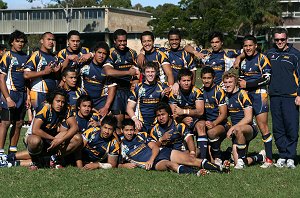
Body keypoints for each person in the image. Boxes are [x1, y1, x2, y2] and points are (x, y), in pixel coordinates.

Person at [118, 118, 229, 175]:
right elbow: (115, 163)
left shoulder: (141, 135)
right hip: (156, 163)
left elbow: (155, 147)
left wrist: (151, 159)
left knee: (191, 159)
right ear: (122, 130)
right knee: (170, 164)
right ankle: (197, 173)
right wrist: (123, 166)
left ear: (134, 130)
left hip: (160, 153)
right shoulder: (120, 145)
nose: (129, 133)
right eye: (127, 130)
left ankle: (220, 168)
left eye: (131, 130)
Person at [266, 28, 300, 169]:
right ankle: (282, 155)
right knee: (278, 128)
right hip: (274, 97)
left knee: (291, 127)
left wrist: (299, 94)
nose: (280, 42)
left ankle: (291, 156)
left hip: (291, 98)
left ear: (287, 39)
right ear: (274, 40)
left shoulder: (295, 55)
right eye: (277, 40)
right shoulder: (269, 53)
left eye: (282, 39)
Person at [238, 35, 273, 168]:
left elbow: (267, 79)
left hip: (259, 95)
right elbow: (241, 81)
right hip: (246, 96)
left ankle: (269, 159)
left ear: (255, 46)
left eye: (250, 45)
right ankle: (243, 155)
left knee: (263, 126)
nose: (248, 48)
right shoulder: (243, 61)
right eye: (245, 46)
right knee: (245, 125)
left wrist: (249, 84)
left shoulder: (262, 58)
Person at [25, 89, 81, 169]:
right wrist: (53, 139)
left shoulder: (66, 108)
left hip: (52, 138)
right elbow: (35, 130)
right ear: (51, 100)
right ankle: (36, 161)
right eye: (57, 101)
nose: (60, 104)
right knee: (35, 141)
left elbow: (75, 127)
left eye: (63, 102)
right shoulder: (45, 107)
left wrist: (60, 140)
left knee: (78, 138)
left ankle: (53, 158)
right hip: (36, 137)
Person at [223, 72, 263, 169]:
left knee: (238, 129)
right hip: (236, 131)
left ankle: (241, 158)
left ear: (236, 82)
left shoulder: (242, 94)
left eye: (230, 82)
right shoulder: (226, 96)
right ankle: (259, 157)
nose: (228, 84)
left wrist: (232, 127)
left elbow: (248, 118)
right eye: (226, 82)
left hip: (249, 128)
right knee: (238, 164)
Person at [103, 29, 139, 132]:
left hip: (130, 89)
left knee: (131, 120)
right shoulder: (110, 53)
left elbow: (137, 72)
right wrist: (128, 72)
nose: (122, 43)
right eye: (120, 41)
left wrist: (135, 83)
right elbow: (108, 72)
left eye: (124, 41)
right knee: (118, 121)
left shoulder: (132, 53)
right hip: (116, 91)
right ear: (115, 41)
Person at [0, 30, 29, 155]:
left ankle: (12, 152)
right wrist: (7, 98)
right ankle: (0, 153)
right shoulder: (7, 56)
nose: (20, 44)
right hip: (10, 93)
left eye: (22, 42)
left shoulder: (27, 57)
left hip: (22, 94)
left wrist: (27, 96)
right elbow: (1, 79)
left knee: (18, 124)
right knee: (5, 123)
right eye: (17, 41)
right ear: (12, 42)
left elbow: (27, 78)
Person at [168, 69, 206, 159]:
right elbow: (174, 113)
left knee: (201, 126)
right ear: (179, 82)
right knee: (181, 126)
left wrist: (184, 112)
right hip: (180, 120)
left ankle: (203, 159)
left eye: (188, 80)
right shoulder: (174, 93)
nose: (186, 83)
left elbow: (200, 111)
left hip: (195, 119)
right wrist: (183, 118)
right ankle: (190, 153)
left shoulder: (197, 91)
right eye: (184, 81)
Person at [127, 62, 170, 133]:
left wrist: (173, 87)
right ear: (143, 73)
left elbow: (172, 92)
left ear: (156, 73)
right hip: (141, 124)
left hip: (157, 124)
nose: (150, 74)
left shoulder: (162, 86)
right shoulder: (137, 87)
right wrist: (135, 120)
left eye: (152, 72)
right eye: (148, 72)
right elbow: (129, 108)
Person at [199, 66, 228, 166]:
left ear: (214, 78)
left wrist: (214, 123)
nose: (206, 81)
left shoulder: (219, 91)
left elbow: (224, 114)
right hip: (206, 123)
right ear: (201, 78)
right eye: (204, 78)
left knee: (211, 132)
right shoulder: (200, 91)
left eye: (209, 78)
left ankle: (218, 158)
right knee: (206, 158)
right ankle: (226, 154)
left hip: (221, 124)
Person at [24, 32, 60, 111]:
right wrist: (44, 72)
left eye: (53, 40)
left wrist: (57, 72)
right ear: (42, 41)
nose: (51, 42)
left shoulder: (54, 57)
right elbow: (26, 74)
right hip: (39, 93)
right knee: (39, 120)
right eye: (48, 39)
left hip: (52, 94)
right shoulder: (36, 55)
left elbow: (56, 77)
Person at [80, 42, 116, 117]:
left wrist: (106, 107)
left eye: (104, 54)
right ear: (94, 53)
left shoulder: (107, 68)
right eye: (99, 52)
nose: (101, 56)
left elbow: (112, 88)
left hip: (101, 102)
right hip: (85, 101)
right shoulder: (85, 64)